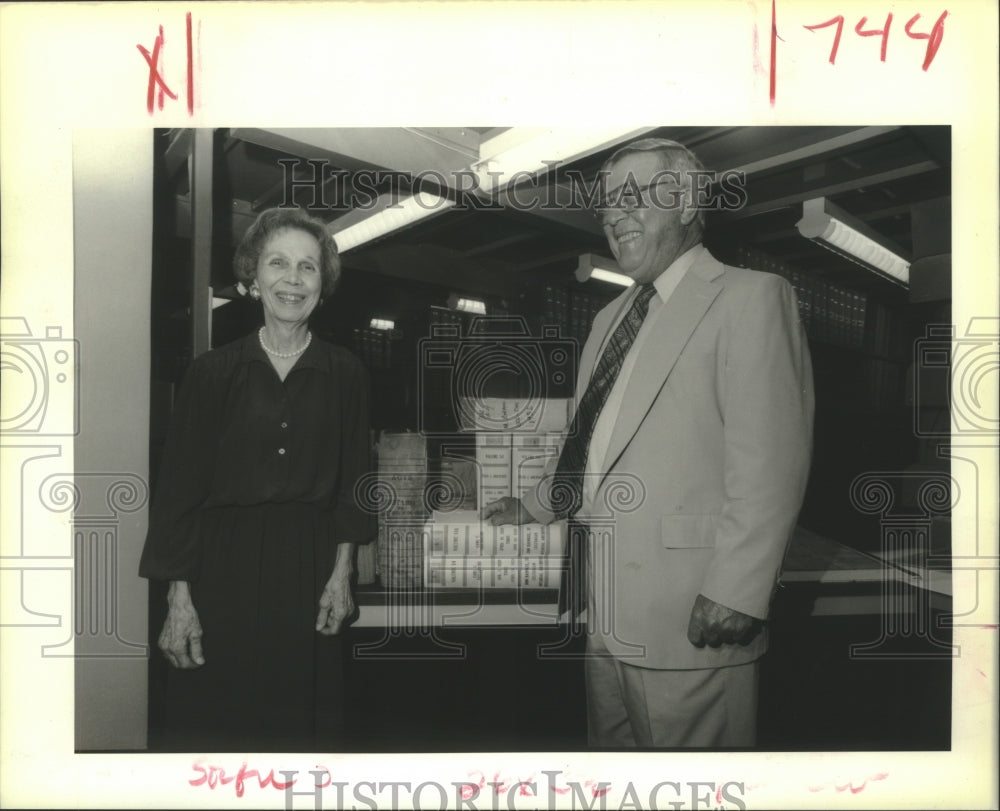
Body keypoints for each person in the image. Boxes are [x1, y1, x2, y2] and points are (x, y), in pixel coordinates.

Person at [484, 138, 814, 748]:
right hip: (603, 607)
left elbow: (771, 463)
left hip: (692, 614)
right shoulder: (608, 319)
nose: (614, 216)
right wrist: (534, 503)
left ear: (687, 201)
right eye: (608, 205)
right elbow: (594, 445)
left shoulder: (751, 298)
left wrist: (737, 587)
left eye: (635, 197)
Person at [139, 207, 374, 751]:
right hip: (220, 570)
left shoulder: (347, 374)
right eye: (278, 263)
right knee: (221, 725)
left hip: (311, 571)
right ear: (253, 277)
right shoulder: (211, 373)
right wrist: (179, 599)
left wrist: (343, 575)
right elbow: (179, 495)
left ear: (323, 282)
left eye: (308, 267)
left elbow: (354, 485)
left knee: (302, 728)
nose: (293, 279)